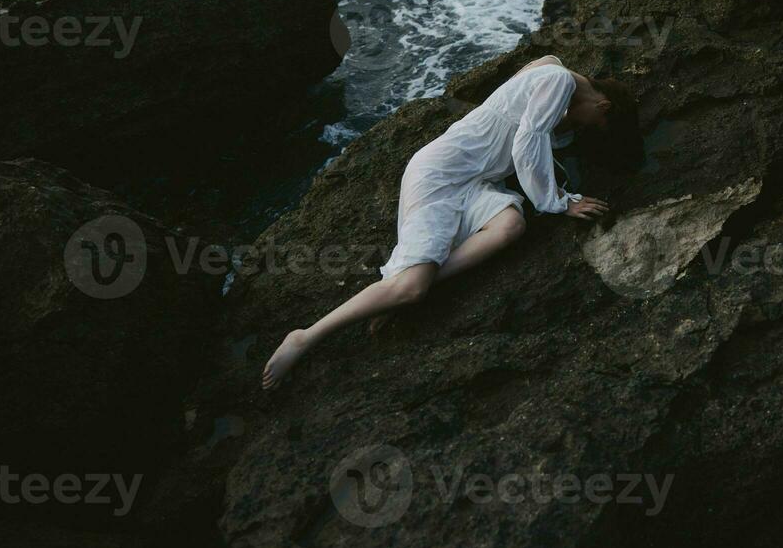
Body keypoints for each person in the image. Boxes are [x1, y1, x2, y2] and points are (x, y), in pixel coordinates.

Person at [262, 55, 636, 389]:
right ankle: (306, 337)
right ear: (602, 104)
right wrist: (557, 203)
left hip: (477, 182)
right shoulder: (560, 81)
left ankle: (411, 283)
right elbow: (528, 141)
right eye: (596, 123)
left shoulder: (550, 67)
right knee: (411, 290)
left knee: (510, 226)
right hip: (441, 175)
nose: (582, 127)